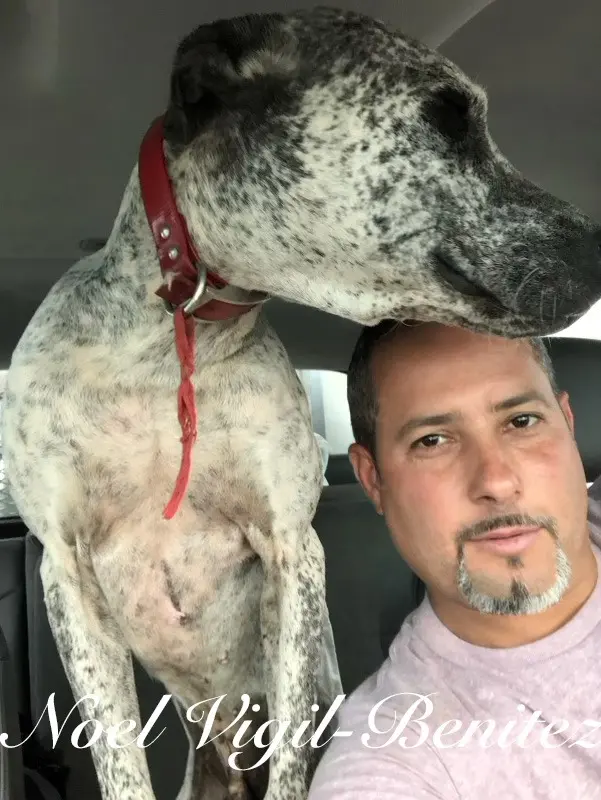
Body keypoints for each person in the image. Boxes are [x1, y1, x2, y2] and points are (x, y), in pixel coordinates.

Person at [307, 319, 601, 799]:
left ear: (568, 424)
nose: (496, 481)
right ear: (372, 479)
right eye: (433, 441)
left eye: (521, 421)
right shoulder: (394, 756)